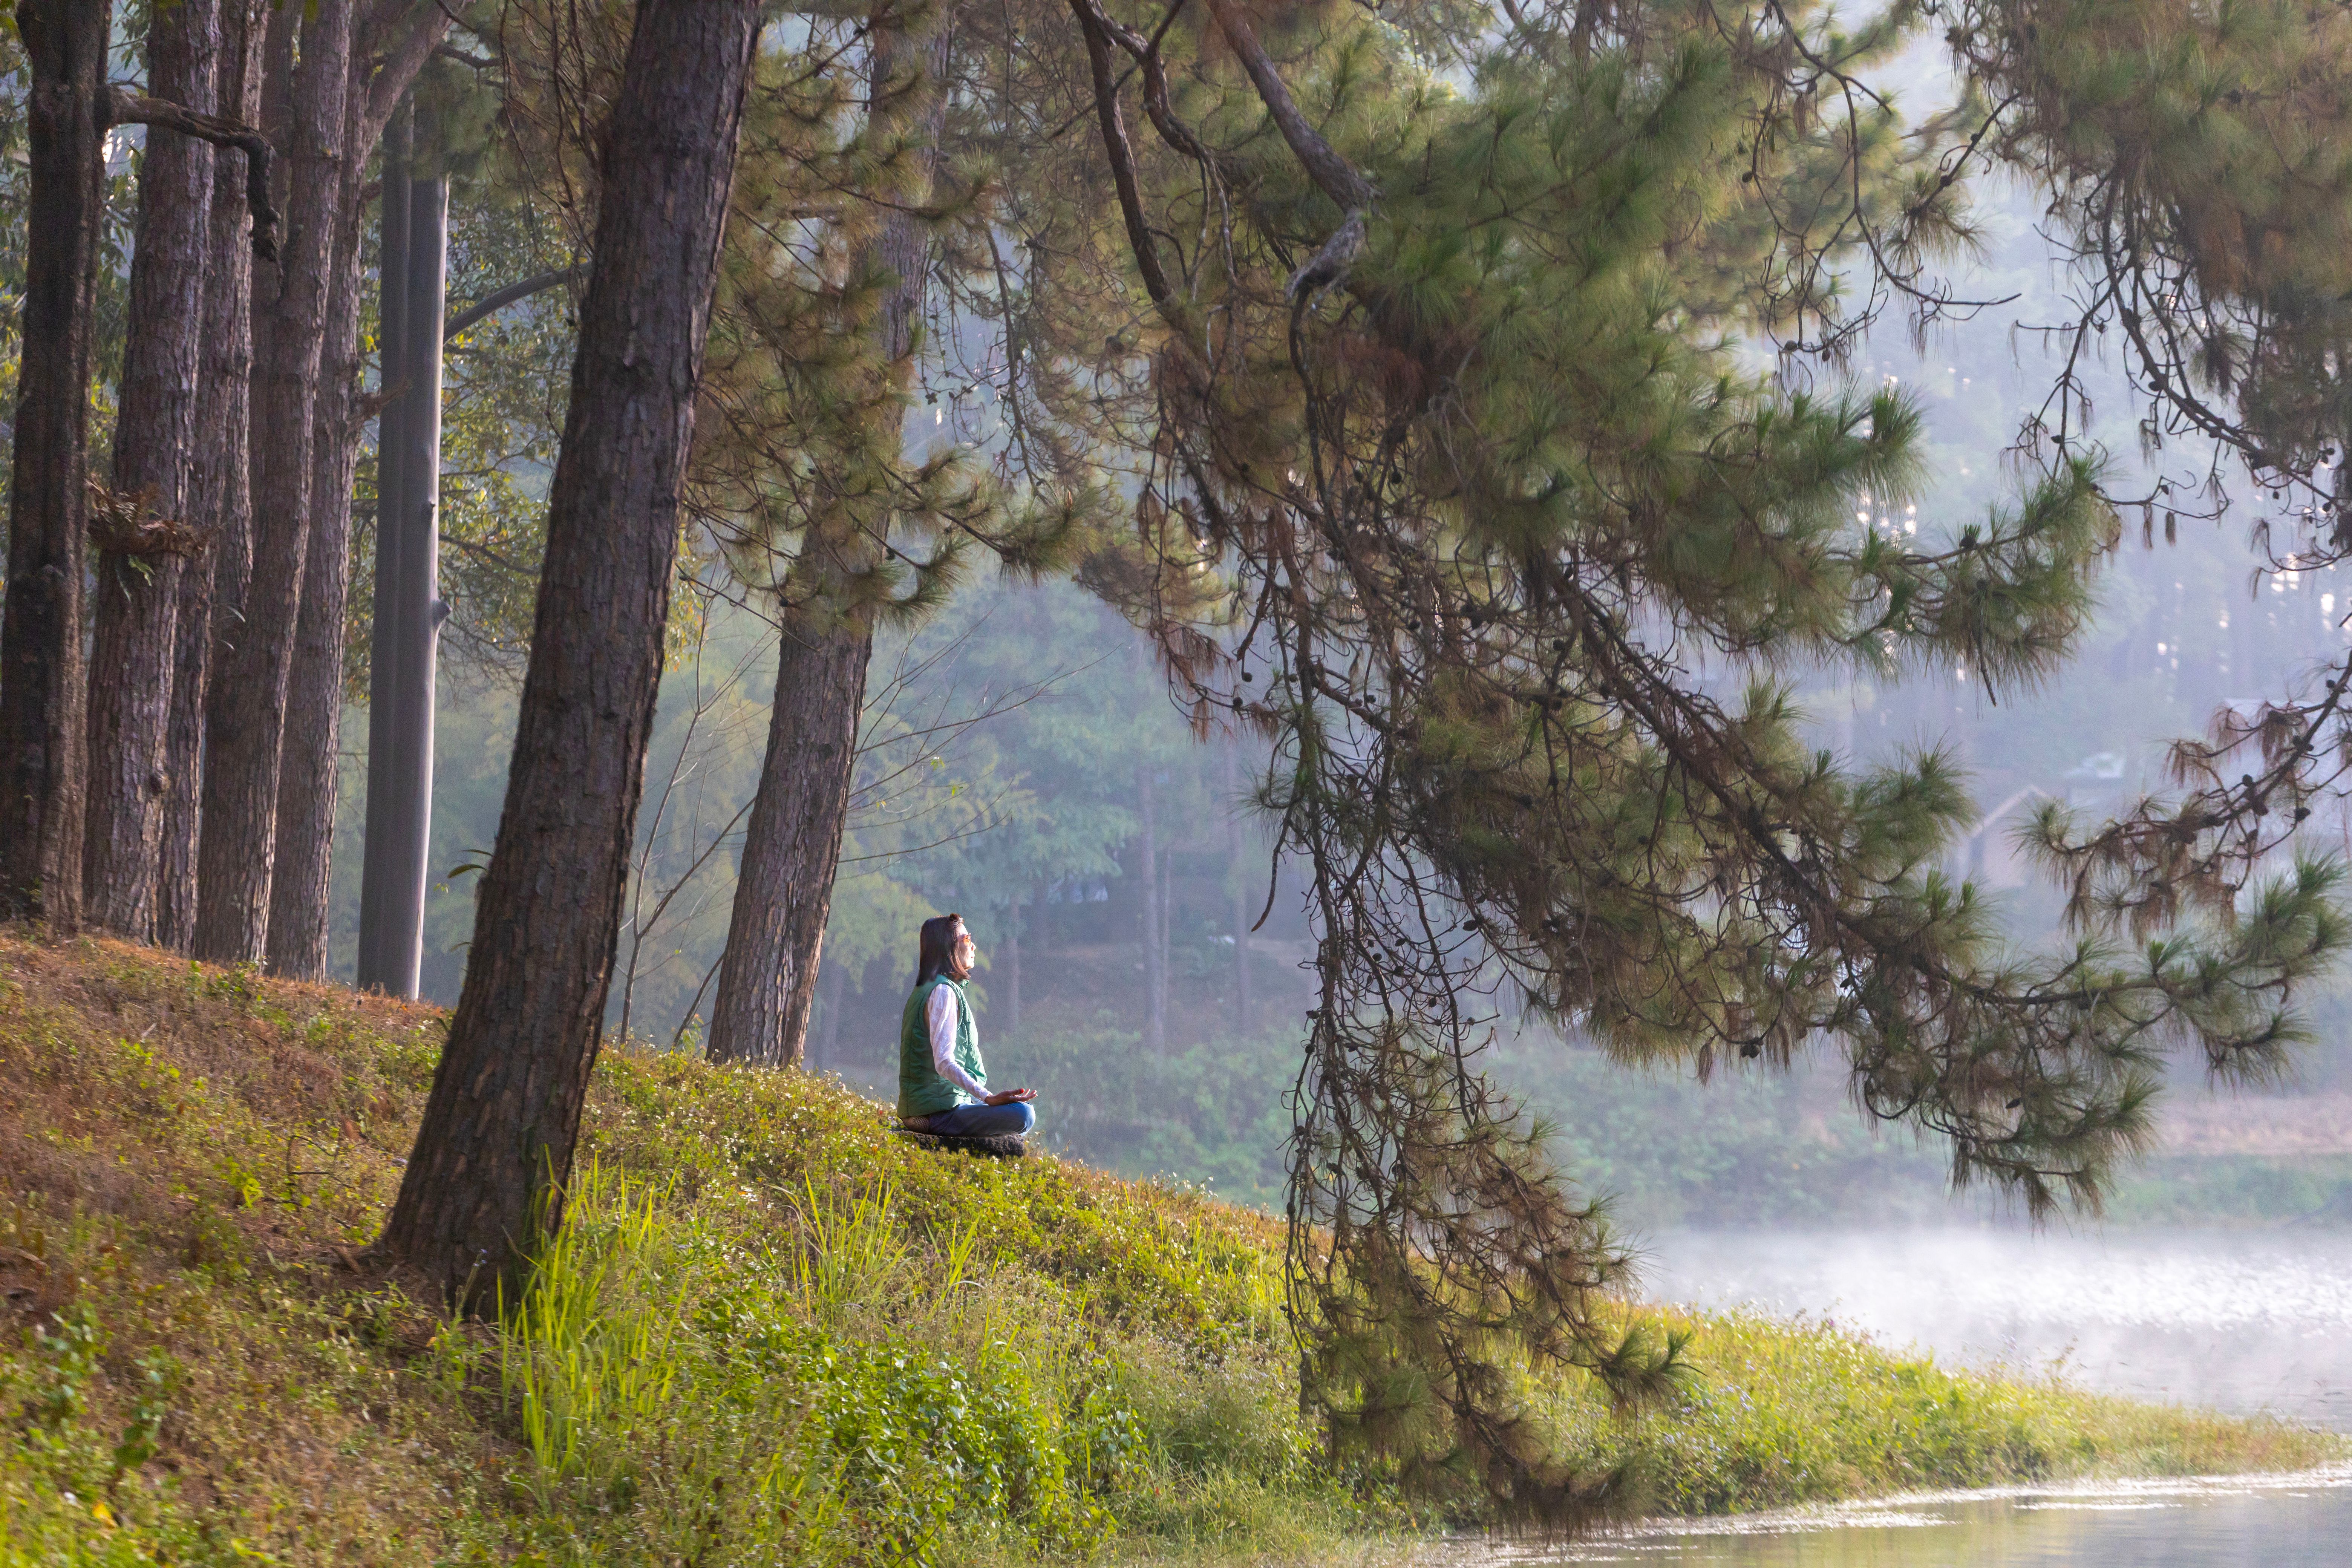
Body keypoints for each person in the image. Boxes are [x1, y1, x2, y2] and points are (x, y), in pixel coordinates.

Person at [897, 912, 1037, 1138]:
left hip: (934, 1109)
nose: (973, 946)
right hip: (934, 1115)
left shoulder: (928, 988)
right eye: (967, 939)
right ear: (949, 948)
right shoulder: (942, 991)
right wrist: (988, 1098)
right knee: (1024, 1115)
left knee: (1014, 1115)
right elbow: (944, 1063)